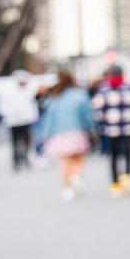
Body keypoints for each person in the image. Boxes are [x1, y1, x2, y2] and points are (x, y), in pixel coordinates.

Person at [35, 71, 96, 200]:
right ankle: (76, 177)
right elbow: (87, 114)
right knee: (78, 159)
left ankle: (67, 188)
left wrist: (46, 135)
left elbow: (48, 118)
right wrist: (92, 128)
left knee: (65, 163)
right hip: (77, 131)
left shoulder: (54, 97)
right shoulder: (80, 95)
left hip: (59, 133)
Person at [92, 65, 130, 195]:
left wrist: (103, 123)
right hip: (128, 127)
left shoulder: (104, 91)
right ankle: (128, 177)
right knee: (128, 154)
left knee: (113, 156)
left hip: (111, 128)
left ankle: (115, 183)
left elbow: (98, 111)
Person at [0, 69, 41, 172]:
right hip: (13, 121)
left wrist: (33, 117)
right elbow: (1, 107)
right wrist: (13, 112)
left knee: (26, 141)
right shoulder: (8, 91)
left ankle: (25, 159)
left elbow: (32, 106)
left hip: (26, 120)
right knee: (15, 142)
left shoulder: (28, 91)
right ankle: (16, 161)